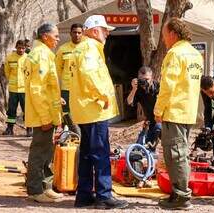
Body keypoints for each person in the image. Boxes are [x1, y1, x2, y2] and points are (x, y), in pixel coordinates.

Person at [69, 15, 128, 209]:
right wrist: (102, 96)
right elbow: (89, 75)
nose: (108, 33)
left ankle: (84, 195)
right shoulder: (90, 49)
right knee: (101, 152)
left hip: (86, 110)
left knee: (87, 153)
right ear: (95, 31)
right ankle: (104, 196)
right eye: (105, 30)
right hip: (93, 110)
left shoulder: (83, 48)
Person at [154, 17, 203, 210]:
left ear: (173, 34)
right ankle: (177, 193)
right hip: (188, 111)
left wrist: (158, 109)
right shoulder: (195, 54)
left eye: (165, 35)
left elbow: (167, 85)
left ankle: (182, 196)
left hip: (174, 111)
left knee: (175, 155)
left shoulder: (175, 54)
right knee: (179, 154)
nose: (164, 39)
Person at [24, 22, 63, 203]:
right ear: (45, 36)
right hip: (43, 115)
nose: (58, 39)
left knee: (47, 152)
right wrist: (46, 117)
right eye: (55, 36)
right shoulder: (40, 55)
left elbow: (48, 87)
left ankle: (46, 187)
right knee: (39, 152)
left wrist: (57, 101)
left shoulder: (46, 53)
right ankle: (34, 190)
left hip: (49, 112)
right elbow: (36, 89)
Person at [55, 23, 83, 134]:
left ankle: (80, 133)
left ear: (83, 33)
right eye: (74, 32)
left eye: (79, 32)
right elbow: (56, 70)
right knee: (66, 111)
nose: (77, 35)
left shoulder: (87, 48)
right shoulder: (63, 49)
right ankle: (73, 132)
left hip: (82, 88)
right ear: (70, 33)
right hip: (66, 87)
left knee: (81, 111)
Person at [127, 66, 161, 150]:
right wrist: (134, 89)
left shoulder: (158, 86)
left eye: (147, 79)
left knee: (158, 128)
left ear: (152, 78)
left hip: (162, 120)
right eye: (142, 80)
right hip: (150, 121)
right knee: (140, 147)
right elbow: (129, 102)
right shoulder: (138, 90)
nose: (144, 82)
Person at [2, 40, 32, 136]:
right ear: (16, 47)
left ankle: (29, 129)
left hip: (25, 89)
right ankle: (9, 129)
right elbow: (7, 71)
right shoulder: (10, 58)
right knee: (11, 110)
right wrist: (11, 81)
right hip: (13, 89)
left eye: (23, 48)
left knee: (26, 110)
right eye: (19, 48)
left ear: (25, 48)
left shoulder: (28, 58)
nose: (21, 50)